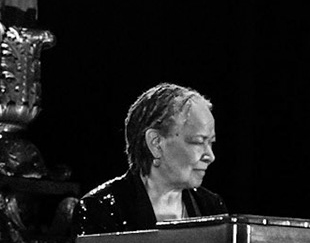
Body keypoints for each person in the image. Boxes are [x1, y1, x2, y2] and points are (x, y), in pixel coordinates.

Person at [78, 83, 227, 233]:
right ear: (156, 143)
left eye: (211, 143)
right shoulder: (101, 208)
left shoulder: (211, 207)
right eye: (198, 142)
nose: (210, 156)